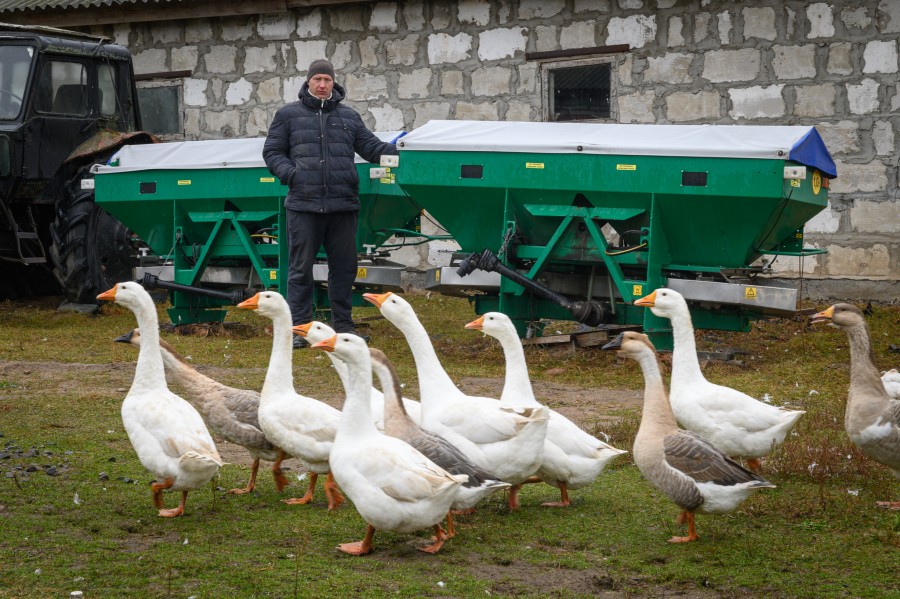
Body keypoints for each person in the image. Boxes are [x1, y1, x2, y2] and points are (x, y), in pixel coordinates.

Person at [263, 59, 397, 348]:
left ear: (334, 83)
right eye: (317, 80)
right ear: (308, 82)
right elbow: (272, 152)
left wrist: (407, 149)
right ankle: (300, 330)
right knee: (300, 269)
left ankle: (343, 329)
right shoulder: (288, 115)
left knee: (344, 268)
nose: (323, 85)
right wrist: (292, 175)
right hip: (303, 205)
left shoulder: (349, 118)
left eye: (327, 80)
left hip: (342, 206)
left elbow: (372, 148)